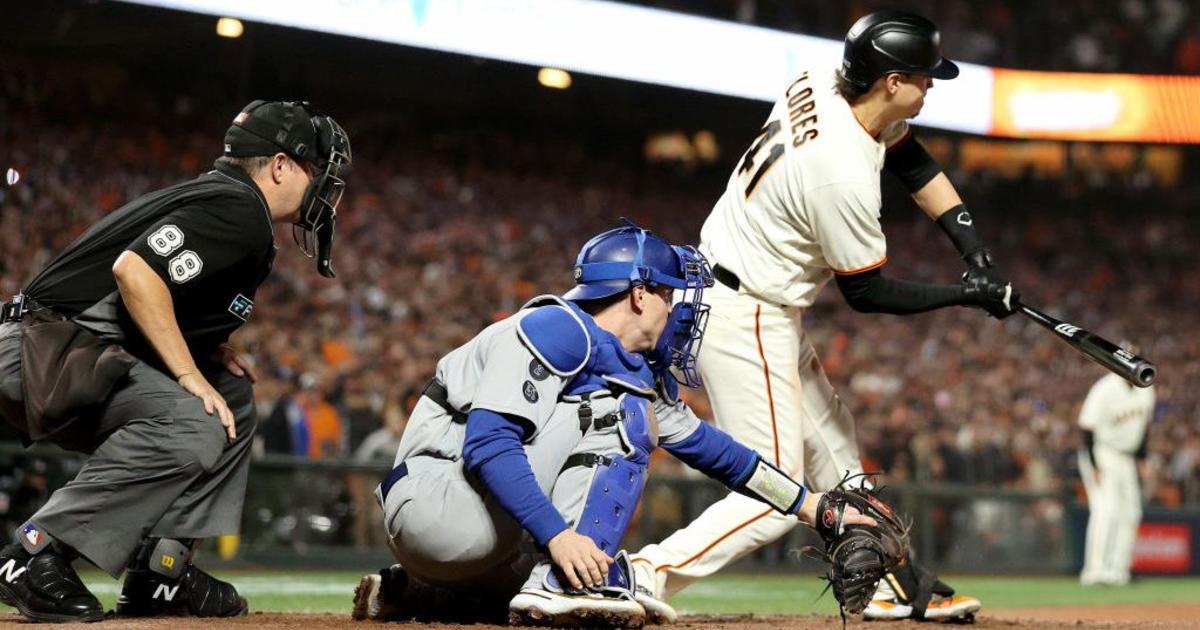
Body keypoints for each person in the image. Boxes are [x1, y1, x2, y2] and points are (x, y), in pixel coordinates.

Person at [630, 10, 1019, 623]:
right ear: (891, 81)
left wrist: (974, 250)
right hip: (746, 309)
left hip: (745, 294)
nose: (931, 86)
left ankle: (895, 579)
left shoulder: (825, 80)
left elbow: (910, 157)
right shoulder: (838, 173)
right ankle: (639, 574)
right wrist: (966, 295)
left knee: (837, 448)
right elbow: (866, 293)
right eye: (923, 76)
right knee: (773, 490)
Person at [351, 223, 877, 627]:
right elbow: (488, 445)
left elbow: (717, 453)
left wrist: (817, 508)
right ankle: (565, 581)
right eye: (669, 294)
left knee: (518, 595)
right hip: (436, 499)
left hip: (465, 530)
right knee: (624, 422)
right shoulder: (553, 326)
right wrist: (558, 537)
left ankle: (413, 595)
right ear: (639, 294)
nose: (676, 309)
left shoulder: (626, 364)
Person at [0, 100, 351, 622]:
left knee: (229, 394)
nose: (323, 187)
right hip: (43, 351)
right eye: (315, 170)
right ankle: (34, 552)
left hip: (64, 350)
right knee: (194, 421)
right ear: (279, 165)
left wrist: (203, 350)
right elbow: (136, 273)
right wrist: (188, 374)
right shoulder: (239, 210)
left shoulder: (224, 199)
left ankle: (162, 572)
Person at [1078, 368, 1155, 586]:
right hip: (1103, 452)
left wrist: (1143, 458)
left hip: (1128, 457)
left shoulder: (1147, 387)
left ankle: (1118, 572)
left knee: (1131, 512)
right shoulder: (1104, 388)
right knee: (1106, 510)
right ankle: (1094, 572)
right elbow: (1086, 428)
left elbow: (1143, 428)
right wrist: (1094, 464)